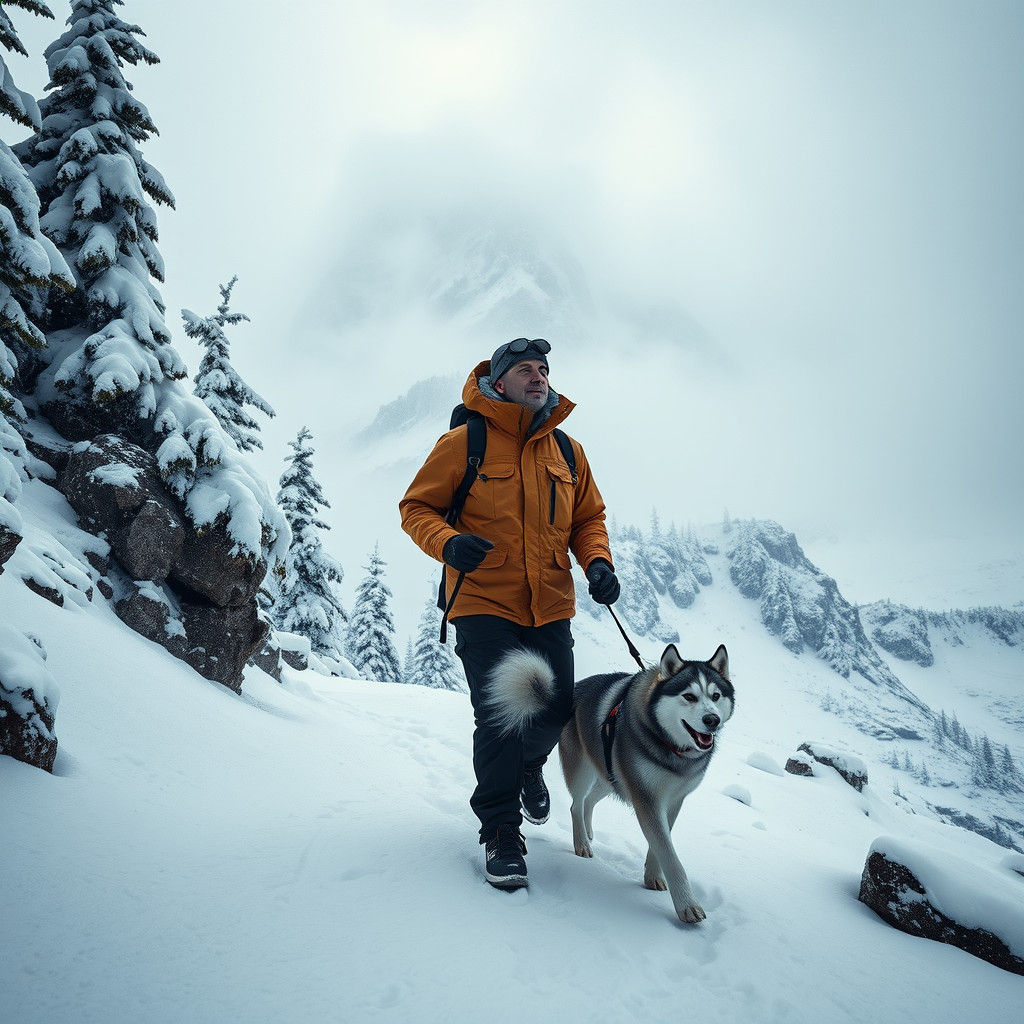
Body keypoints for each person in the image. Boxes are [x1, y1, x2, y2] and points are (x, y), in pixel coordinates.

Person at [399, 338, 620, 890]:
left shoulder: (567, 452)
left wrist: (596, 564)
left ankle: (528, 767)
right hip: (483, 602)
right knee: (500, 716)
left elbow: (588, 519)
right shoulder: (464, 442)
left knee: (555, 710)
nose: (538, 377)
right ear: (498, 382)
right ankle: (501, 831)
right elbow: (416, 507)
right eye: (526, 369)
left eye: (544, 369)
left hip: (549, 605)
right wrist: (448, 543)